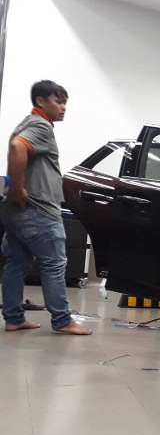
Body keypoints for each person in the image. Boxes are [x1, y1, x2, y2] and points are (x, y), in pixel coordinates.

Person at [1, 80, 91, 335]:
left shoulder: (27, 123)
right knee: (54, 265)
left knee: (16, 264)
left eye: (65, 102)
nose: (63, 107)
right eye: (58, 101)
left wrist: (16, 191)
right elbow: (17, 147)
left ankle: (14, 318)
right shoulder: (40, 126)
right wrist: (17, 188)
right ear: (40, 101)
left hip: (18, 213)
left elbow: (17, 147)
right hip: (39, 211)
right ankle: (62, 320)